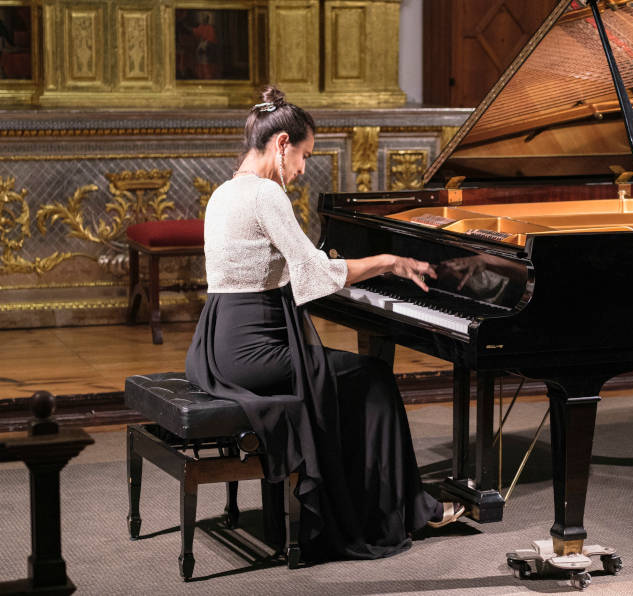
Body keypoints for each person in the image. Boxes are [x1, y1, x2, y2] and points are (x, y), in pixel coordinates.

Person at [185, 85, 464, 562]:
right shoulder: (266, 195)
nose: (302, 169)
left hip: (216, 347)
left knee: (349, 380)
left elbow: (289, 268)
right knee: (374, 378)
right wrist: (388, 262)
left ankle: (371, 499)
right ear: (282, 144)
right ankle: (406, 509)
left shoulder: (224, 192)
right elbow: (314, 275)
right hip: (253, 354)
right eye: (304, 156)